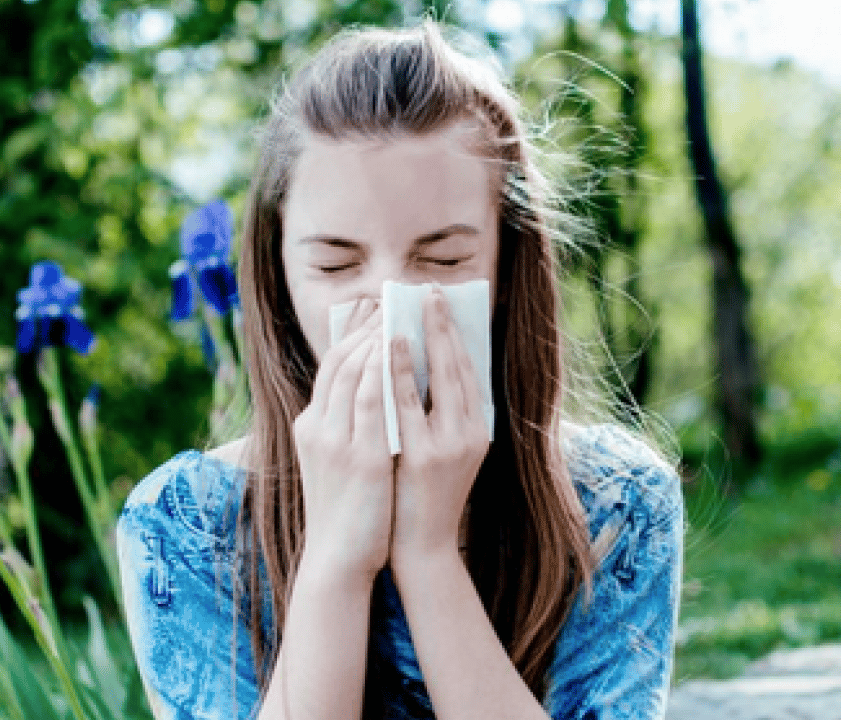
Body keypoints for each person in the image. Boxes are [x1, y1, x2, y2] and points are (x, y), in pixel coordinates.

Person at [117, 19, 683, 720]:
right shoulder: (188, 523)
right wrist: (335, 560)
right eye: (335, 265)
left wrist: (428, 552)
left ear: (508, 266)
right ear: (279, 276)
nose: (389, 306)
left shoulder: (616, 504)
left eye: (442, 260)